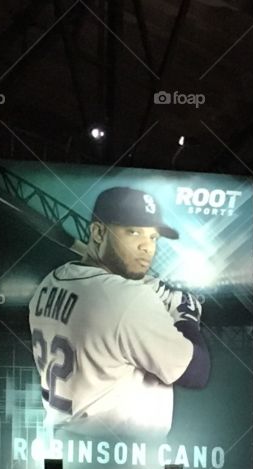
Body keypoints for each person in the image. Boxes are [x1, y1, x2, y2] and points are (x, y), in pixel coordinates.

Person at [28, 186, 211, 439]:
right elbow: (196, 372)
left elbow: (112, 301)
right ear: (98, 232)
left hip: (60, 446)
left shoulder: (50, 282)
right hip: (119, 454)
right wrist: (186, 316)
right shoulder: (129, 299)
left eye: (153, 237)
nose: (147, 247)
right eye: (133, 232)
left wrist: (143, 291)